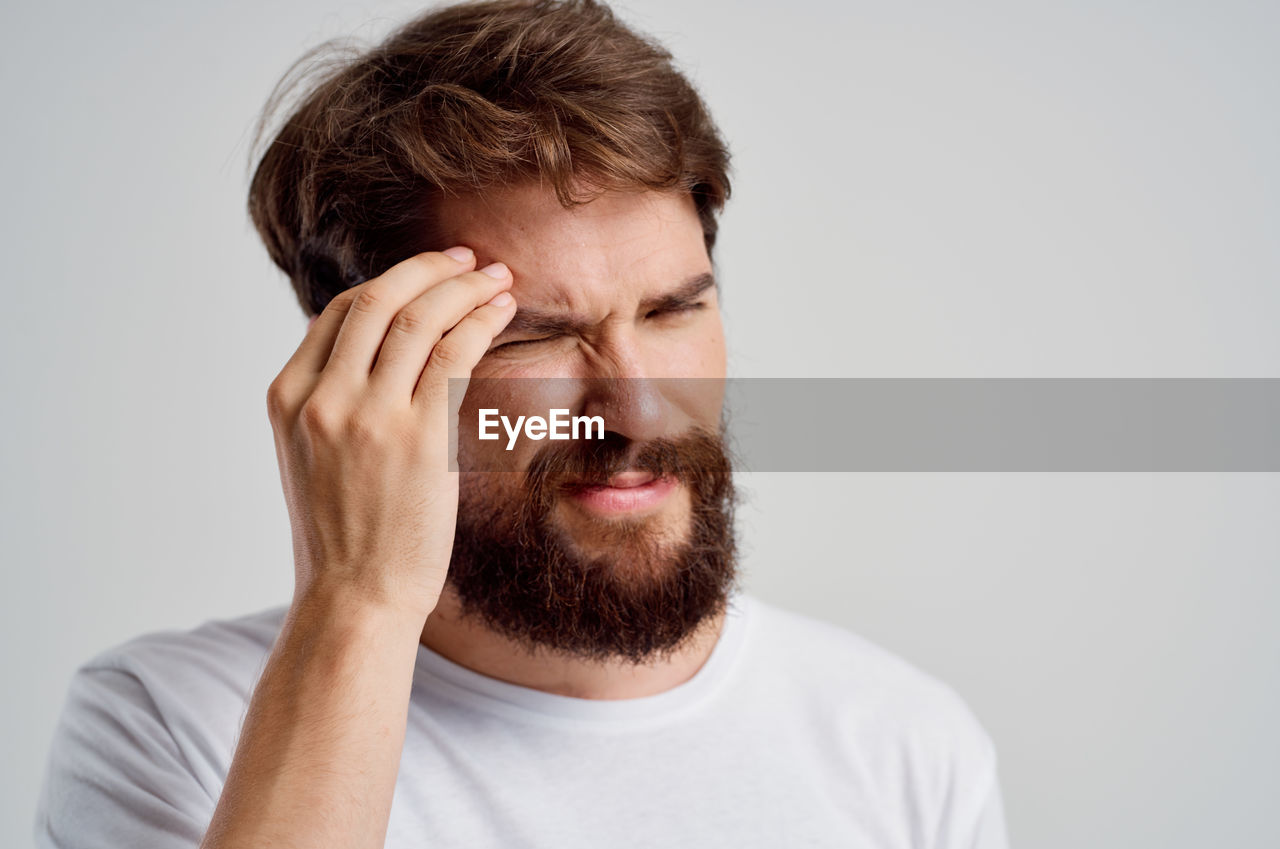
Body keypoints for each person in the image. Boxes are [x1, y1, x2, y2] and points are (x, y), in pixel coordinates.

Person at [35, 1, 1010, 846]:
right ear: (366, 374)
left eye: (671, 311)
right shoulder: (173, 729)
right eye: (535, 337)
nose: (634, 408)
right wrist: (356, 605)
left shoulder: (901, 741)